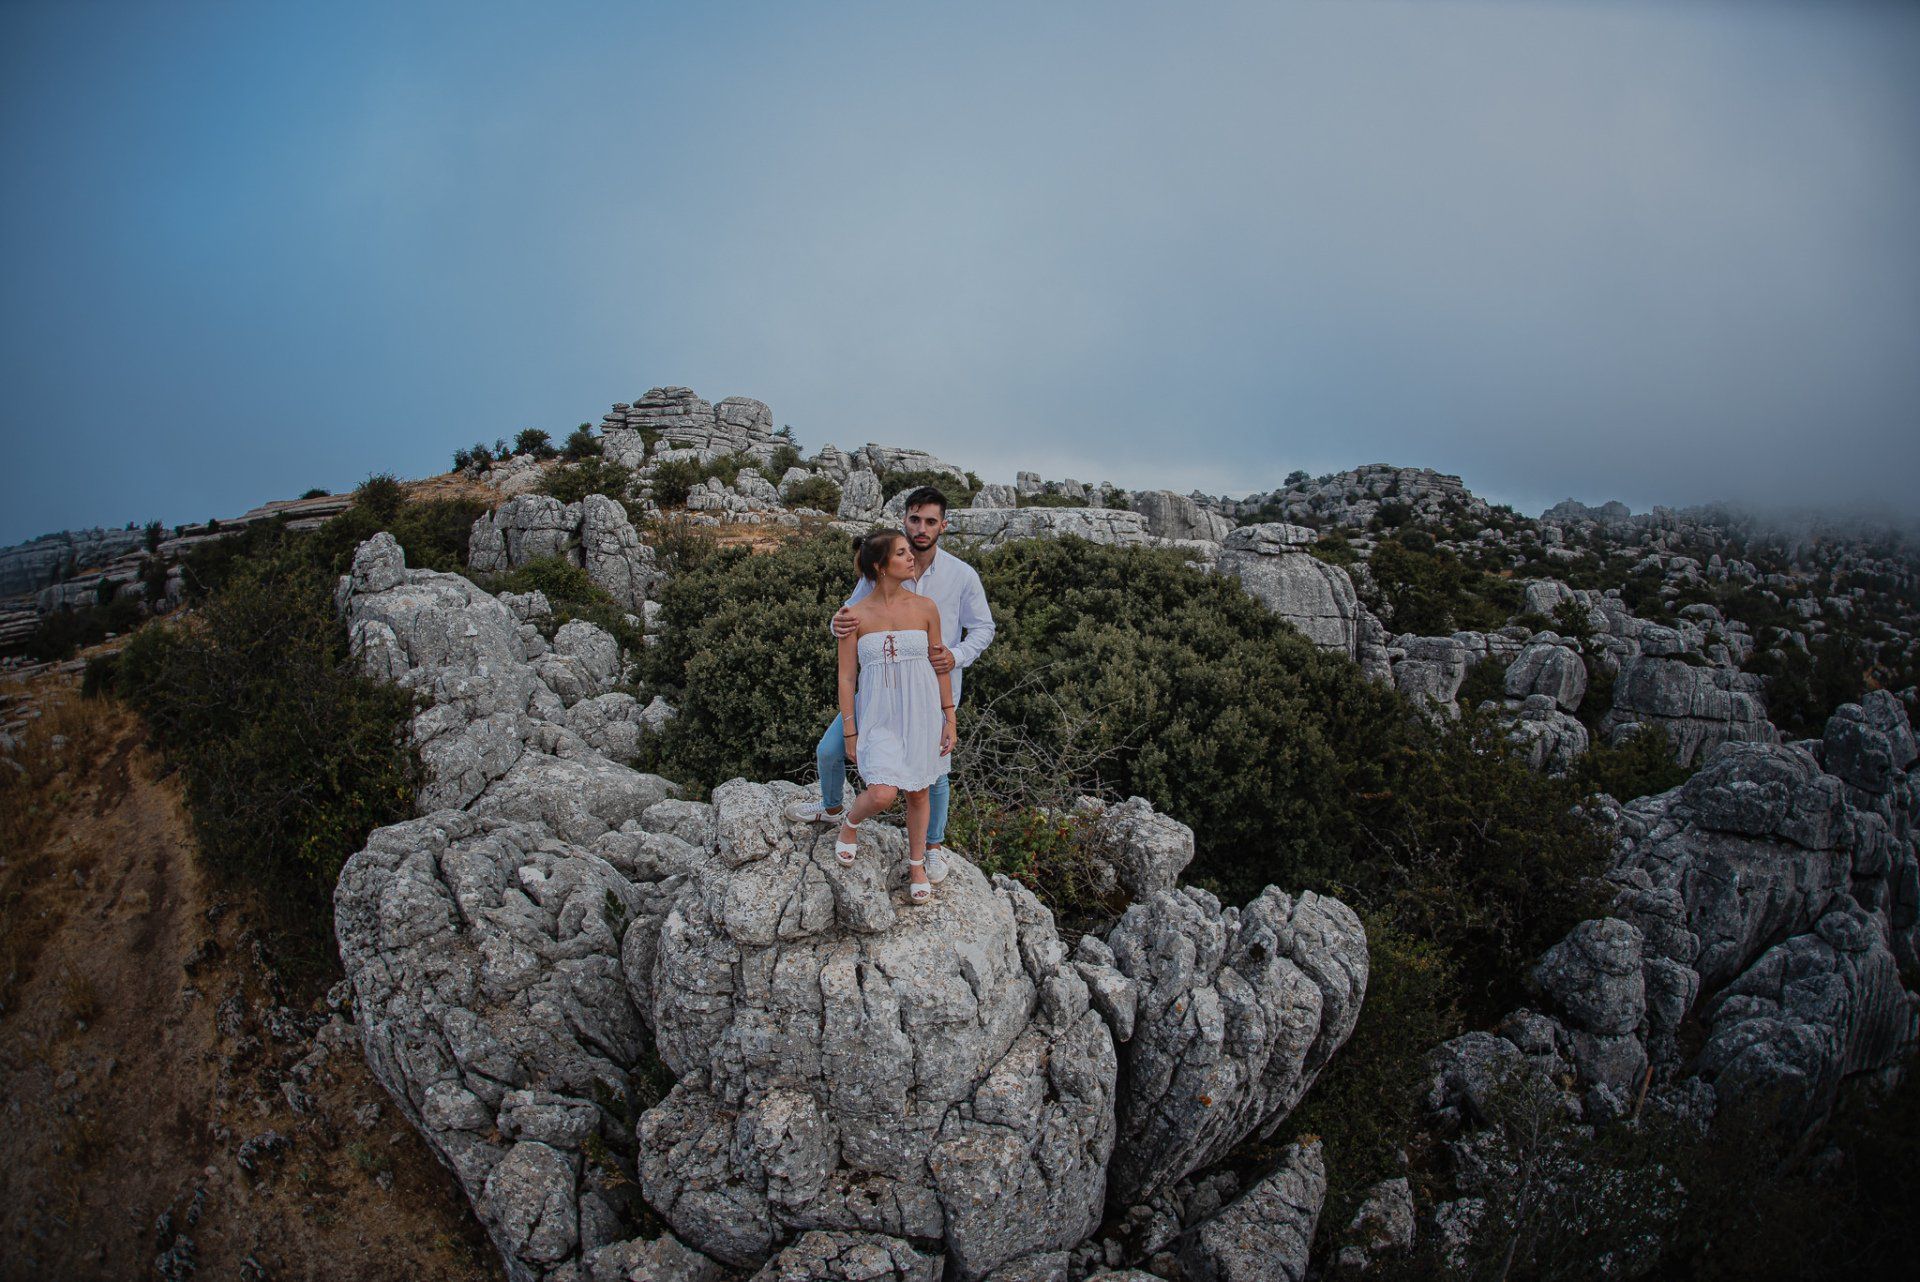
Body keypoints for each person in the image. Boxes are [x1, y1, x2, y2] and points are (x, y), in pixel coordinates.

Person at [786, 485, 996, 885]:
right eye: (914, 519)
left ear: (943, 525)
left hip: (930, 692)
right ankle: (833, 809)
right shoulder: (882, 561)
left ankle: (932, 847)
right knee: (829, 750)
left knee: (933, 775)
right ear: (905, 520)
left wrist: (956, 655)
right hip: (879, 694)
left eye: (930, 521)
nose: (921, 528)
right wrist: (836, 623)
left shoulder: (961, 575)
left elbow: (984, 627)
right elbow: (848, 617)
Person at [827, 529, 956, 902]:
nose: (911, 557)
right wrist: (849, 731)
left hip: (922, 714)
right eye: (901, 553)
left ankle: (917, 866)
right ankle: (850, 823)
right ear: (881, 566)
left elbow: (939, 665)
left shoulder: (926, 607)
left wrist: (949, 716)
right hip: (879, 717)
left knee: (919, 792)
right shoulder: (853, 616)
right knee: (883, 794)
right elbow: (846, 677)